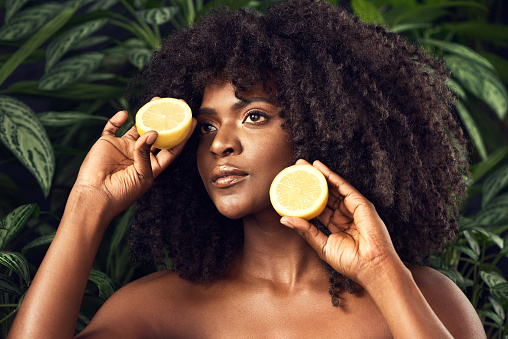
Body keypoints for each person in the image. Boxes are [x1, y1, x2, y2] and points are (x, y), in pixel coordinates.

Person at [9, 0, 486, 337]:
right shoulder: (158, 308)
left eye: (254, 116)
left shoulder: (421, 296)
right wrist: (87, 205)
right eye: (204, 126)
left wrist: (382, 272)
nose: (220, 144)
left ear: (324, 127)